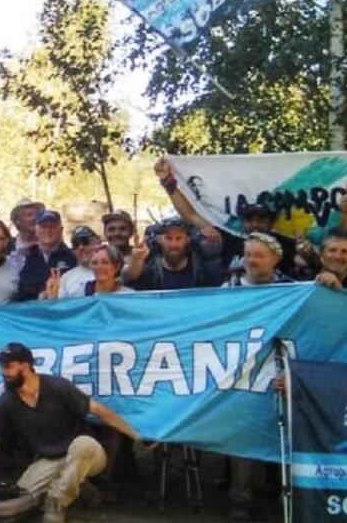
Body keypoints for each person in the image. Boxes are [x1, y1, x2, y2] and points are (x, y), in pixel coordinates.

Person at [0, 343, 141, 523]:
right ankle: (87, 492)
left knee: (83, 447)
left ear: (26, 365)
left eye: (8, 366)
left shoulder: (57, 386)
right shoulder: (6, 401)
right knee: (23, 495)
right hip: (50, 459)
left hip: (85, 453)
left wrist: (136, 436)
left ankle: (57, 502)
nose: (3, 372)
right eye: (2, 366)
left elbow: (99, 410)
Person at [218, 232, 292, 520]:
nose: (252, 260)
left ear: (275, 259)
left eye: (259, 255)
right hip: (240, 371)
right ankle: (241, 498)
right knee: (243, 430)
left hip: (278, 370)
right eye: (248, 254)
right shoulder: (229, 288)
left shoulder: (291, 290)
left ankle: (290, 490)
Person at [153, 158, 296, 277]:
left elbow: (307, 266)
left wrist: (308, 255)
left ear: (271, 224)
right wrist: (167, 181)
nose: (255, 225)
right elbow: (190, 215)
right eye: (249, 220)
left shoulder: (285, 245)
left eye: (261, 220)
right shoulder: (228, 241)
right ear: (242, 223)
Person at [125, 218, 222, 291]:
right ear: (159, 240)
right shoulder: (152, 270)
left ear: (187, 240)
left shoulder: (202, 270)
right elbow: (129, 278)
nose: (173, 244)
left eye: (179, 238)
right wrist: (137, 260)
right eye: (168, 238)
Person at [18, 211, 77, 301]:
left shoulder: (72, 257)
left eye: (52, 226)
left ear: (60, 230)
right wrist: (39, 295)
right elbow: (19, 291)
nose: (48, 230)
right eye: (43, 226)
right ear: (36, 230)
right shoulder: (25, 257)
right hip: (32, 311)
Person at [45, 245, 133, 299]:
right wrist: (52, 299)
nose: (99, 267)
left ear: (116, 266)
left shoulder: (128, 296)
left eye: (105, 262)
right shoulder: (79, 294)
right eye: (95, 263)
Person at [53, 226, 100, 299]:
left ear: (97, 244)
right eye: (76, 244)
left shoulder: (111, 271)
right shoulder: (66, 278)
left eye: (85, 242)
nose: (81, 247)